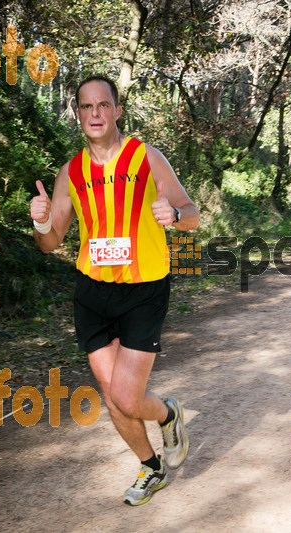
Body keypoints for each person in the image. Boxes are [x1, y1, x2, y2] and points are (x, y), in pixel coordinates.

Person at [29, 75, 200, 506]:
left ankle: (169, 414)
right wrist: (40, 221)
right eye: (86, 107)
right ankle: (152, 467)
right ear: (78, 115)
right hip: (93, 292)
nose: (95, 114)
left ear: (117, 110)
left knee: (127, 396)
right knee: (113, 398)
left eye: (103, 105)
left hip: (144, 288)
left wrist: (173, 214)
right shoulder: (70, 172)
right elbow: (50, 244)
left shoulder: (145, 157)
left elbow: (193, 214)